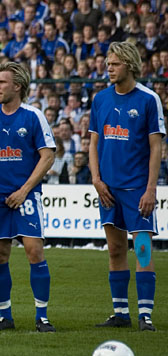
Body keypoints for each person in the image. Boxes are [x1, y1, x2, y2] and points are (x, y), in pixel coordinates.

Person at [0, 61, 57, 332]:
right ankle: (5, 316)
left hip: (26, 196)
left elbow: (48, 156)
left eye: (2, 82)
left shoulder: (33, 116)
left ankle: (42, 317)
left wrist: (24, 190)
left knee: (34, 250)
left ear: (18, 86)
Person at [88, 41, 165, 332]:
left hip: (137, 189)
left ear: (130, 65)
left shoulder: (148, 99)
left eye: (115, 64)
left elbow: (156, 148)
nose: (109, 68)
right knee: (115, 249)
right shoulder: (100, 99)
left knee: (142, 249)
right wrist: (96, 179)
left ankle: (145, 315)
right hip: (107, 189)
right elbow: (93, 142)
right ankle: (120, 313)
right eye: (108, 63)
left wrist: (151, 189)